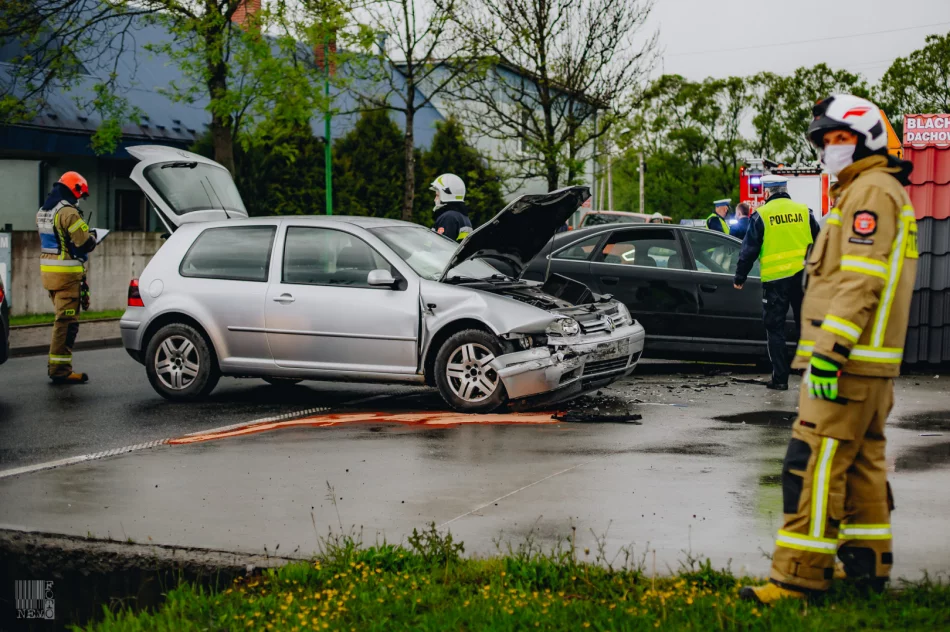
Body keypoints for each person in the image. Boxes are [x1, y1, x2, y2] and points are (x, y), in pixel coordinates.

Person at [740, 95, 917, 604]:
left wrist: (829, 352)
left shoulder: (870, 193)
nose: (829, 149)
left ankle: (797, 578)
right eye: (824, 141)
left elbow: (861, 282)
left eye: (840, 139)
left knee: (811, 463)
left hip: (849, 362)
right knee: (862, 465)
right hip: (868, 364)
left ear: (866, 141)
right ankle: (867, 570)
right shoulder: (875, 190)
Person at [734, 175, 820, 390]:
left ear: (766, 192)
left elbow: (749, 249)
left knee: (775, 329)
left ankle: (780, 379)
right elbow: (820, 242)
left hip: (775, 281)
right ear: (785, 190)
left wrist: (740, 277)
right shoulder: (803, 211)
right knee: (806, 327)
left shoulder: (762, 215)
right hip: (803, 277)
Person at [36, 172, 97, 384]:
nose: (80, 199)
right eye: (81, 194)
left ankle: (57, 366)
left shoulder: (44, 211)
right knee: (66, 323)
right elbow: (83, 243)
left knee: (62, 320)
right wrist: (93, 238)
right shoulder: (69, 212)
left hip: (49, 275)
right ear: (75, 189)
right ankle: (60, 370)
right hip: (66, 277)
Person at [430, 173, 473, 241]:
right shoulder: (463, 217)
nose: (434, 199)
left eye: (437, 195)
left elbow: (441, 247)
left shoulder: (448, 218)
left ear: (446, 195)